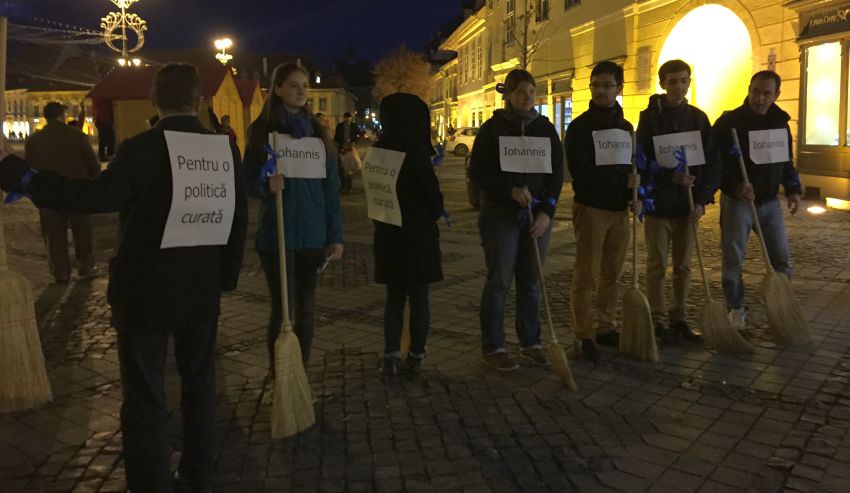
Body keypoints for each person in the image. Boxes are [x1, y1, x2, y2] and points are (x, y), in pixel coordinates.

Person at [0, 63, 248, 493]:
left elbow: (91, 197)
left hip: (146, 291)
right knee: (199, 387)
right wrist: (224, 279)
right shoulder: (223, 151)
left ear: (154, 98)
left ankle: (151, 483)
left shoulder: (142, 149)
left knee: (146, 396)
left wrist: (19, 174)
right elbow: (236, 221)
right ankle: (198, 475)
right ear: (199, 100)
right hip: (199, 290)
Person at [244, 63, 344, 373]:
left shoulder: (318, 132)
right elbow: (247, 179)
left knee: (306, 311)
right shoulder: (262, 131)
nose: (301, 90)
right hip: (278, 235)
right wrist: (265, 185)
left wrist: (335, 235)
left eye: (304, 85)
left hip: (313, 237)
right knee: (282, 312)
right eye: (293, 85)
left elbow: (331, 187)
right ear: (277, 89)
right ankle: (281, 378)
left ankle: (299, 376)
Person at [469, 69, 564, 371]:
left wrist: (547, 211)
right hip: (500, 216)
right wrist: (508, 190)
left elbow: (556, 174)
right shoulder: (493, 129)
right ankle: (494, 345)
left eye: (531, 92)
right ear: (508, 95)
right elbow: (479, 172)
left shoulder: (545, 129)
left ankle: (530, 340)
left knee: (531, 280)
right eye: (521, 91)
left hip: (536, 216)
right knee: (499, 280)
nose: (527, 97)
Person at [711, 70, 802, 330]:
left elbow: (786, 161)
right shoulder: (729, 122)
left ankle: (781, 305)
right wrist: (733, 185)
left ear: (776, 95)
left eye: (766, 94)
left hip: (769, 203)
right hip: (738, 203)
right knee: (733, 258)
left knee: (781, 258)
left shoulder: (780, 123)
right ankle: (735, 307)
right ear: (748, 90)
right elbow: (714, 161)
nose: (760, 99)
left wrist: (793, 188)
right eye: (756, 92)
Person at [565, 61, 642, 363]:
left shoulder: (626, 128)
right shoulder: (580, 127)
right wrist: (620, 181)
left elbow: (631, 167)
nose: (601, 91)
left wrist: (634, 194)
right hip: (591, 209)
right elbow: (581, 173)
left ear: (619, 89)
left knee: (612, 273)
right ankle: (584, 334)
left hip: (619, 211)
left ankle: (606, 325)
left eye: (607, 85)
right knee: (586, 275)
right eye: (596, 85)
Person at [636, 59, 712, 344]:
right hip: (659, 206)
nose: (678, 86)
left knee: (683, 265)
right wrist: (669, 176)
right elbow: (642, 159)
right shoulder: (651, 118)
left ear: (689, 83)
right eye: (672, 81)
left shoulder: (698, 118)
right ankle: (657, 317)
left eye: (683, 80)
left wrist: (702, 199)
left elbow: (709, 161)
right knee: (656, 264)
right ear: (663, 84)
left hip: (687, 208)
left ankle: (678, 316)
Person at [371, 93, 444, 377]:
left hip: (389, 235)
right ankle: (416, 353)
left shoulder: (378, 153)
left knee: (394, 298)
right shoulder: (416, 154)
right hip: (418, 238)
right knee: (419, 299)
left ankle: (390, 354)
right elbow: (434, 204)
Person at [25, 101, 101, 283]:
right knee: (83, 232)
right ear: (62, 116)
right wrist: (94, 181)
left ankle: (61, 272)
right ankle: (86, 266)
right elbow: (92, 165)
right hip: (77, 191)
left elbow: (29, 168)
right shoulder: (77, 136)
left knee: (54, 236)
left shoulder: (34, 140)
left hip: (49, 194)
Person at [334, 112, 359, 193]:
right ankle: (343, 185)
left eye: (349, 118)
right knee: (340, 169)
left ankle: (349, 187)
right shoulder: (340, 126)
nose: (348, 119)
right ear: (344, 118)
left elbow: (360, 134)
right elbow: (336, 137)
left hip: (350, 149)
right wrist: (338, 145)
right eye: (347, 118)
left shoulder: (354, 126)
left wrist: (354, 141)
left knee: (349, 169)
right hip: (341, 149)